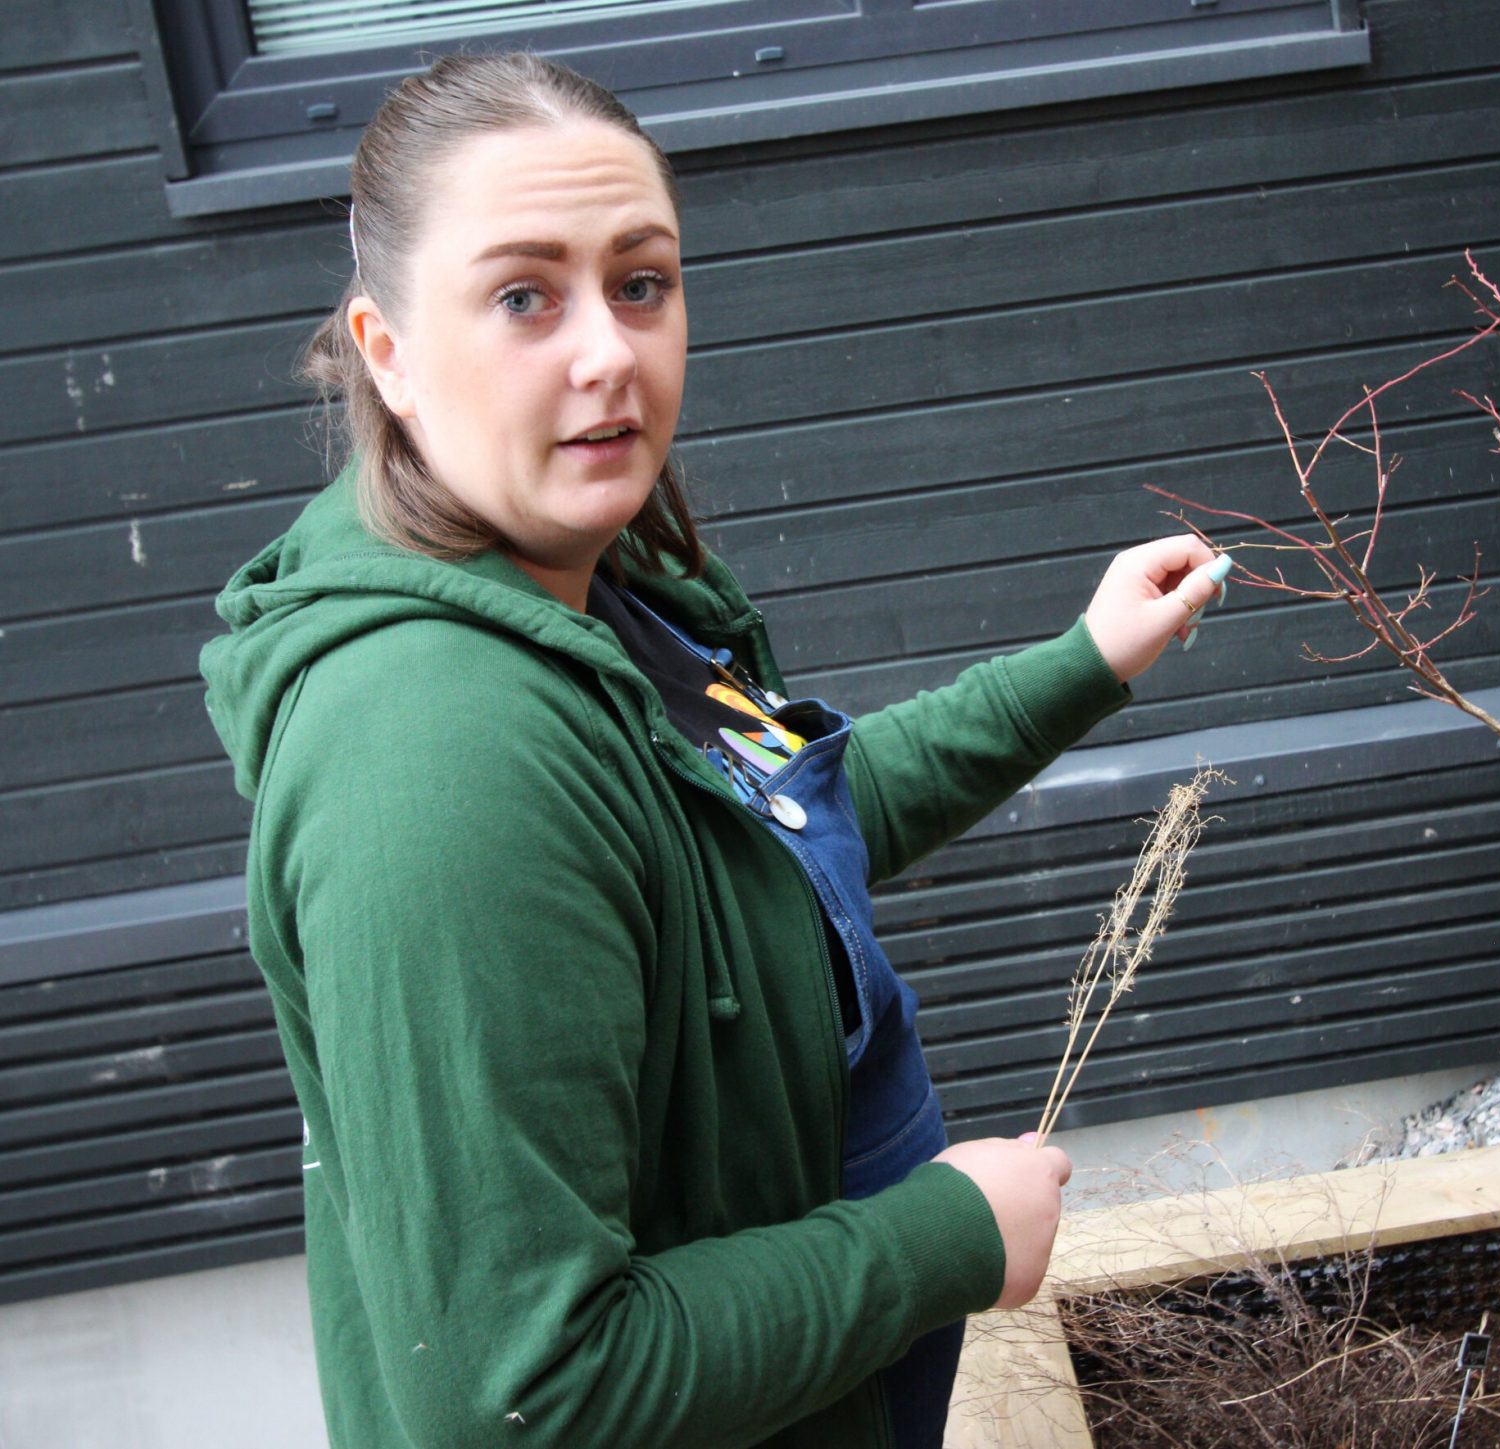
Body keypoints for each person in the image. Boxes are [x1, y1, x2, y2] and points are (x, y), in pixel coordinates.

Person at [199, 51, 1228, 1449]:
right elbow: (527, 1395)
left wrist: (1083, 662)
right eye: (524, 297)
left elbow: (770, 839)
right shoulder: (437, 759)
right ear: (388, 351)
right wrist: (943, 1237)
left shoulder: (596, 589)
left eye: (640, 282)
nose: (609, 353)